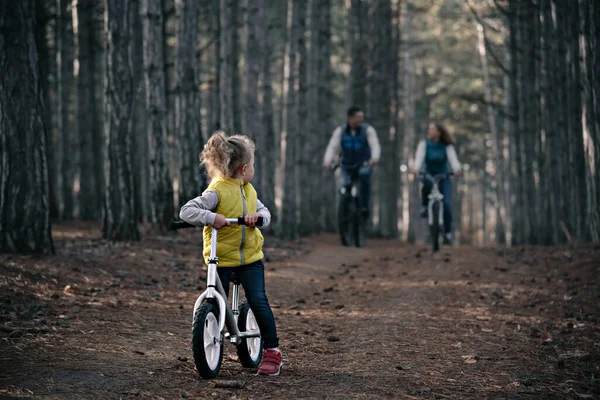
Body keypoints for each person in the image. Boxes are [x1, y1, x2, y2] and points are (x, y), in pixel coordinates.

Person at [179, 131, 282, 376]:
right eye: (253, 165)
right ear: (245, 168)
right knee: (215, 301)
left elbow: (266, 214)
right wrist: (212, 217)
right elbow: (187, 211)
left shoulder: (250, 191)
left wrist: (257, 219)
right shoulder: (216, 191)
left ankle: (272, 351)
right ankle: (210, 343)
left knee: (258, 300)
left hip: (250, 260)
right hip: (221, 260)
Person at [322, 106, 381, 218]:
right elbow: (332, 146)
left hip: (363, 163)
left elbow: (375, 145)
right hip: (346, 165)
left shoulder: (368, 130)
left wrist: (374, 158)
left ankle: (364, 207)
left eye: (362, 117)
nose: (361, 120)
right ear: (350, 118)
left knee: (364, 176)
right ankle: (344, 212)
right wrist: (327, 160)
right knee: (343, 186)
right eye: (358, 117)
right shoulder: (341, 131)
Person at [411, 122, 462, 245]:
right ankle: (425, 206)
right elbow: (419, 158)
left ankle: (448, 233)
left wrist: (457, 169)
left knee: (447, 204)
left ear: (439, 132)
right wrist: (416, 168)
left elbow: (453, 160)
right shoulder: (424, 144)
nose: (430, 131)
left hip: (443, 176)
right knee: (426, 186)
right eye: (429, 129)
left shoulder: (447, 146)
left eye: (432, 129)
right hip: (429, 174)